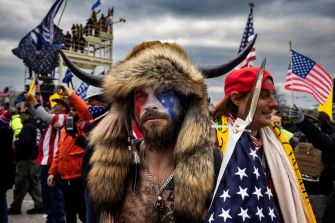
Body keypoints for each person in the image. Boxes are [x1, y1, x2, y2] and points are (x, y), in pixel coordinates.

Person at [82, 41, 222, 222]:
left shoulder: (213, 162)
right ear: (131, 108)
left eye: (163, 92)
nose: (150, 105)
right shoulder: (105, 164)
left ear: (184, 103)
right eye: (141, 95)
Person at [212, 67, 316, 222]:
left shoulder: (280, 143)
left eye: (273, 95)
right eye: (263, 96)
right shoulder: (210, 143)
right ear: (235, 98)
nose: (274, 103)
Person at [25, 87, 73, 223]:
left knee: (55, 194)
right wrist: (30, 103)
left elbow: (44, 116)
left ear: (65, 108)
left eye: (58, 104)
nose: (55, 105)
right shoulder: (56, 117)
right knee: (47, 194)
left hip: (54, 162)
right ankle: (52, 218)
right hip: (46, 161)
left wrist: (34, 102)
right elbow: (39, 114)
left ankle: (57, 219)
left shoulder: (64, 118)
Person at [47, 87, 91, 223]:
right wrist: (52, 172)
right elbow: (59, 152)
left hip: (79, 179)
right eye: (70, 109)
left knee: (84, 214)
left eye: (74, 109)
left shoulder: (82, 124)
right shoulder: (65, 129)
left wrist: (70, 94)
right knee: (69, 213)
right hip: (65, 179)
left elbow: (83, 108)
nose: (72, 111)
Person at [289, 107, 335, 223]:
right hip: (305, 190)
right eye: (312, 122)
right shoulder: (296, 137)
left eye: (316, 122)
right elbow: (324, 142)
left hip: (321, 192)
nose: (314, 124)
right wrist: (303, 122)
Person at [7, 109, 43, 215]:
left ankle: (16, 207)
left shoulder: (27, 127)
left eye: (23, 114)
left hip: (26, 159)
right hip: (34, 158)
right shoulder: (35, 126)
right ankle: (39, 205)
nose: (21, 116)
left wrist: (17, 142)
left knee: (20, 183)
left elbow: (25, 142)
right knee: (32, 183)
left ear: (27, 115)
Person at [0, 111, 15, 223]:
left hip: (2, 175)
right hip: (6, 176)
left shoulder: (2, 137)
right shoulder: (8, 135)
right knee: (2, 201)